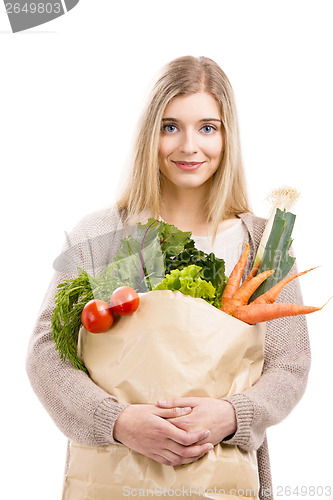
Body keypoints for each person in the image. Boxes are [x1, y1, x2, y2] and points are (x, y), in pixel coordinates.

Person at [26, 56, 310, 499]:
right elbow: (47, 354)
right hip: (115, 473)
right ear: (149, 134)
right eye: (170, 126)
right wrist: (115, 421)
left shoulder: (265, 243)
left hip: (221, 474)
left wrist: (234, 414)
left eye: (208, 128)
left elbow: (290, 364)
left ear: (228, 136)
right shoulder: (101, 233)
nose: (189, 147)